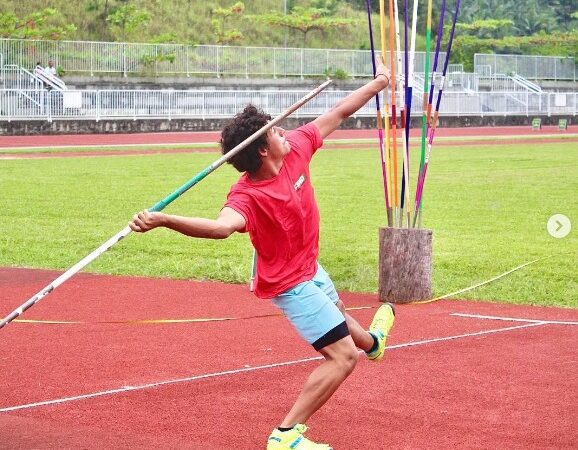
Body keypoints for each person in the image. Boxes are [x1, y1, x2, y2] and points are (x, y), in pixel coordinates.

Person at [129, 60, 395, 450]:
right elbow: (221, 228)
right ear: (262, 150)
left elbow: (338, 111)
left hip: (309, 265)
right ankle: (286, 435)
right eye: (274, 130)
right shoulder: (247, 196)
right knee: (341, 357)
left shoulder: (297, 149)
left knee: (336, 310)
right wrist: (163, 220)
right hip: (288, 282)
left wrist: (380, 82)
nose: (283, 130)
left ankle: (373, 344)